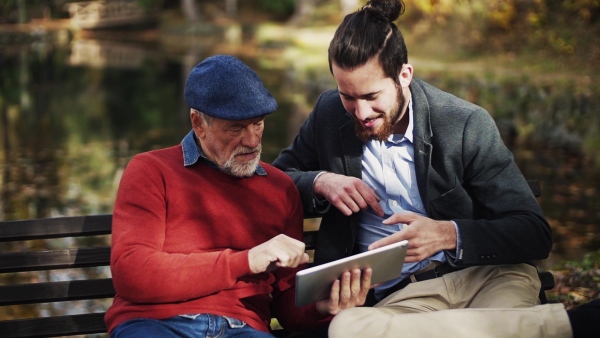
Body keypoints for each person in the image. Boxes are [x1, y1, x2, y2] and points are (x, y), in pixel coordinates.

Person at [271, 0, 572, 336]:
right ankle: (555, 327)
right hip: (406, 297)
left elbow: (534, 233)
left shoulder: (463, 124)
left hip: (488, 277)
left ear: (404, 75)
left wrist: (448, 234)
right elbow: (274, 183)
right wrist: (319, 180)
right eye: (348, 97)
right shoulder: (329, 114)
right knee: (347, 328)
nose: (360, 112)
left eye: (372, 96)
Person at [104, 55, 370, 338]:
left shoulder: (280, 189)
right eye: (236, 128)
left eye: (258, 124)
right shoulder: (150, 171)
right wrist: (246, 260)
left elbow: (287, 303)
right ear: (198, 123)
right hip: (156, 323)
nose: (253, 140)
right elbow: (133, 274)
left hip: (243, 329)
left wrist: (321, 306)